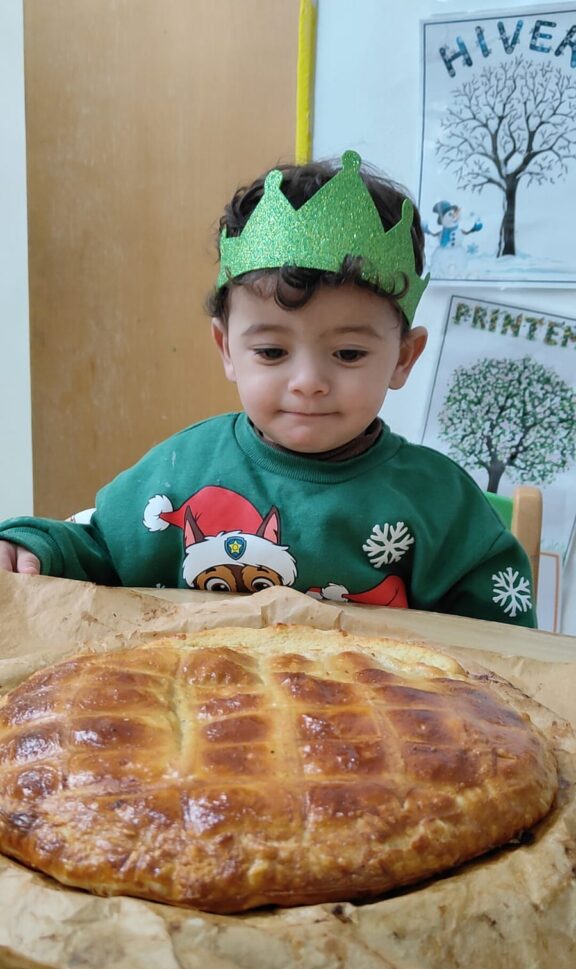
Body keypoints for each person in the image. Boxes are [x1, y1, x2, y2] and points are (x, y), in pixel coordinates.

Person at [0, 150, 536, 625]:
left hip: (373, 705)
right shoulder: (180, 471)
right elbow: (96, 548)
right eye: (272, 353)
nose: (308, 383)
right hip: (205, 697)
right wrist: (32, 547)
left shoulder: (439, 503)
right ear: (226, 349)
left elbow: (503, 642)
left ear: (403, 358)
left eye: (348, 354)